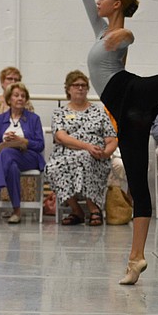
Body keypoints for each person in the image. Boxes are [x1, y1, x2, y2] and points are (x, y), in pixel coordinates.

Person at [79, 0, 158, 285]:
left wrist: (127, 33)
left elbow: (128, 37)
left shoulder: (118, 35)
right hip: (126, 114)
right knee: (137, 182)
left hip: (133, 91)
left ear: (117, 4)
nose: (99, 1)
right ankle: (136, 259)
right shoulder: (99, 30)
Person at [45, 70, 117, 227]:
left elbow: (112, 140)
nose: (80, 88)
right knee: (52, 167)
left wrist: (104, 153)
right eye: (76, 85)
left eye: (83, 85)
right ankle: (77, 210)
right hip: (65, 154)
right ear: (68, 89)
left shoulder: (99, 112)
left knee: (85, 158)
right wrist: (86, 146)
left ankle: (93, 208)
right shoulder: (60, 113)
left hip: (96, 156)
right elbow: (61, 137)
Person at [0, 82, 45, 224]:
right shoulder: (0, 119)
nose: (20, 98)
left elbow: (40, 145)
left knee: (7, 153)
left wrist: (22, 141)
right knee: (11, 165)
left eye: (23, 96)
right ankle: (16, 211)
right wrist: (4, 143)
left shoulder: (34, 119)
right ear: (9, 99)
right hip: (6, 158)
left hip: (28, 157)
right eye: (16, 95)